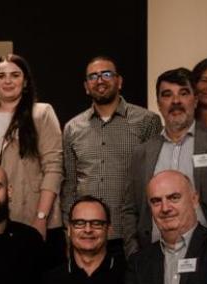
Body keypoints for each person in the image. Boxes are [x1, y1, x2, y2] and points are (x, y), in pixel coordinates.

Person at [122, 67, 207, 256]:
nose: (176, 101)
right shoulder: (142, 153)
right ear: (158, 103)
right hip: (156, 259)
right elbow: (129, 210)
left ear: (195, 100)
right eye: (167, 95)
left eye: (184, 93)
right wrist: (135, 256)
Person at [61, 56, 162, 257]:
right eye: (93, 76)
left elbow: (154, 180)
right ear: (86, 86)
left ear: (119, 81)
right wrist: (69, 229)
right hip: (87, 236)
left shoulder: (146, 121)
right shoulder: (72, 128)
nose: (100, 80)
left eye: (107, 74)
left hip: (129, 235)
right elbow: (70, 185)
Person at [0, 54, 64, 258]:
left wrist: (41, 217)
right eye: (1, 75)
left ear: (25, 81)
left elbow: (54, 167)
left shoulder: (42, 113)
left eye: (15, 75)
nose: (7, 81)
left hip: (33, 214)